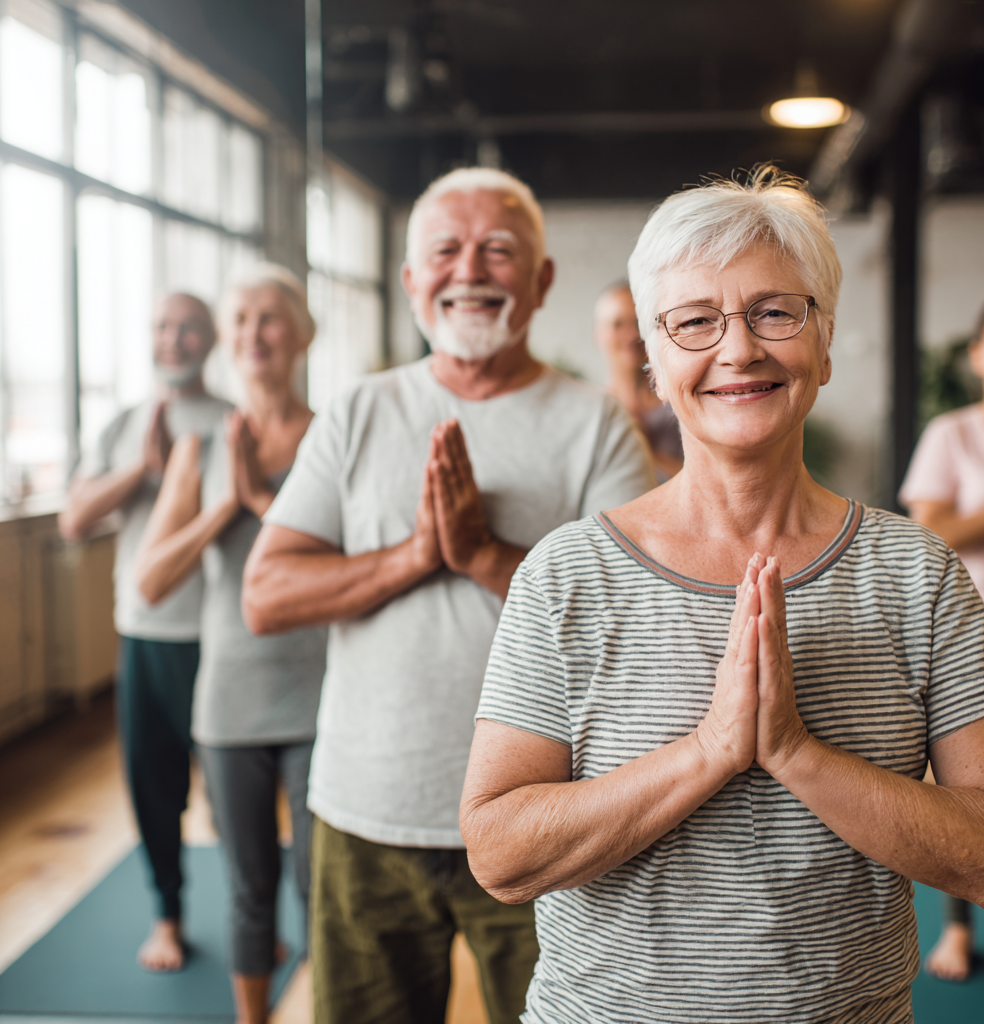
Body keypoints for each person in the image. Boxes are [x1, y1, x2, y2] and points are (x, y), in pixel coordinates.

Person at [459, 167, 984, 1024]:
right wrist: (712, 750)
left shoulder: (919, 574)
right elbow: (501, 855)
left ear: (824, 342)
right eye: (694, 322)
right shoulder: (565, 574)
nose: (738, 350)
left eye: (774, 312)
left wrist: (797, 753)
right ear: (653, 361)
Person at [240, 167, 656, 1024]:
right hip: (364, 816)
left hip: (545, 821)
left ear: (540, 280)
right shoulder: (357, 410)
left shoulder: (595, 424)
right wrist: (414, 556)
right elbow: (267, 592)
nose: (469, 269)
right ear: (410, 281)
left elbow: (636, 618)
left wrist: (483, 554)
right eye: (445, 251)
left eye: (498, 250)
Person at [136, 265, 327, 1024]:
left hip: (320, 695)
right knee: (247, 891)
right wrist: (229, 505)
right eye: (240, 319)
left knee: (322, 888)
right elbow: (150, 579)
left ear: (303, 335)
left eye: (270, 318)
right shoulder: (200, 448)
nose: (253, 333)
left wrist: (264, 503)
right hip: (230, 701)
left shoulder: (329, 436)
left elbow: (350, 558)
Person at [59, 293, 230, 972]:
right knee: (152, 784)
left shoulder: (232, 421)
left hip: (219, 637)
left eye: (188, 327)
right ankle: (168, 916)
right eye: (162, 327)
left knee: (229, 793)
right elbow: (75, 519)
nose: (174, 339)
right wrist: (143, 470)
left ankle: (249, 920)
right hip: (143, 635)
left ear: (210, 339)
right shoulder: (125, 423)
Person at [900, 292, 984, 983]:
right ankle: (957, 928)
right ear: (979, 355)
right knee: (970, 801)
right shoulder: (953, 433)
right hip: (983, 647)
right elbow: (932, 532)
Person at [595, 281, 684, 480]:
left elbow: (713, 488)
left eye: (638, 323)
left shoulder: (682, 403)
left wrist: (647, 449)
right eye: (617, 324)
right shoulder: (591, 412)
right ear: (598, 334)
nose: (632, 334)